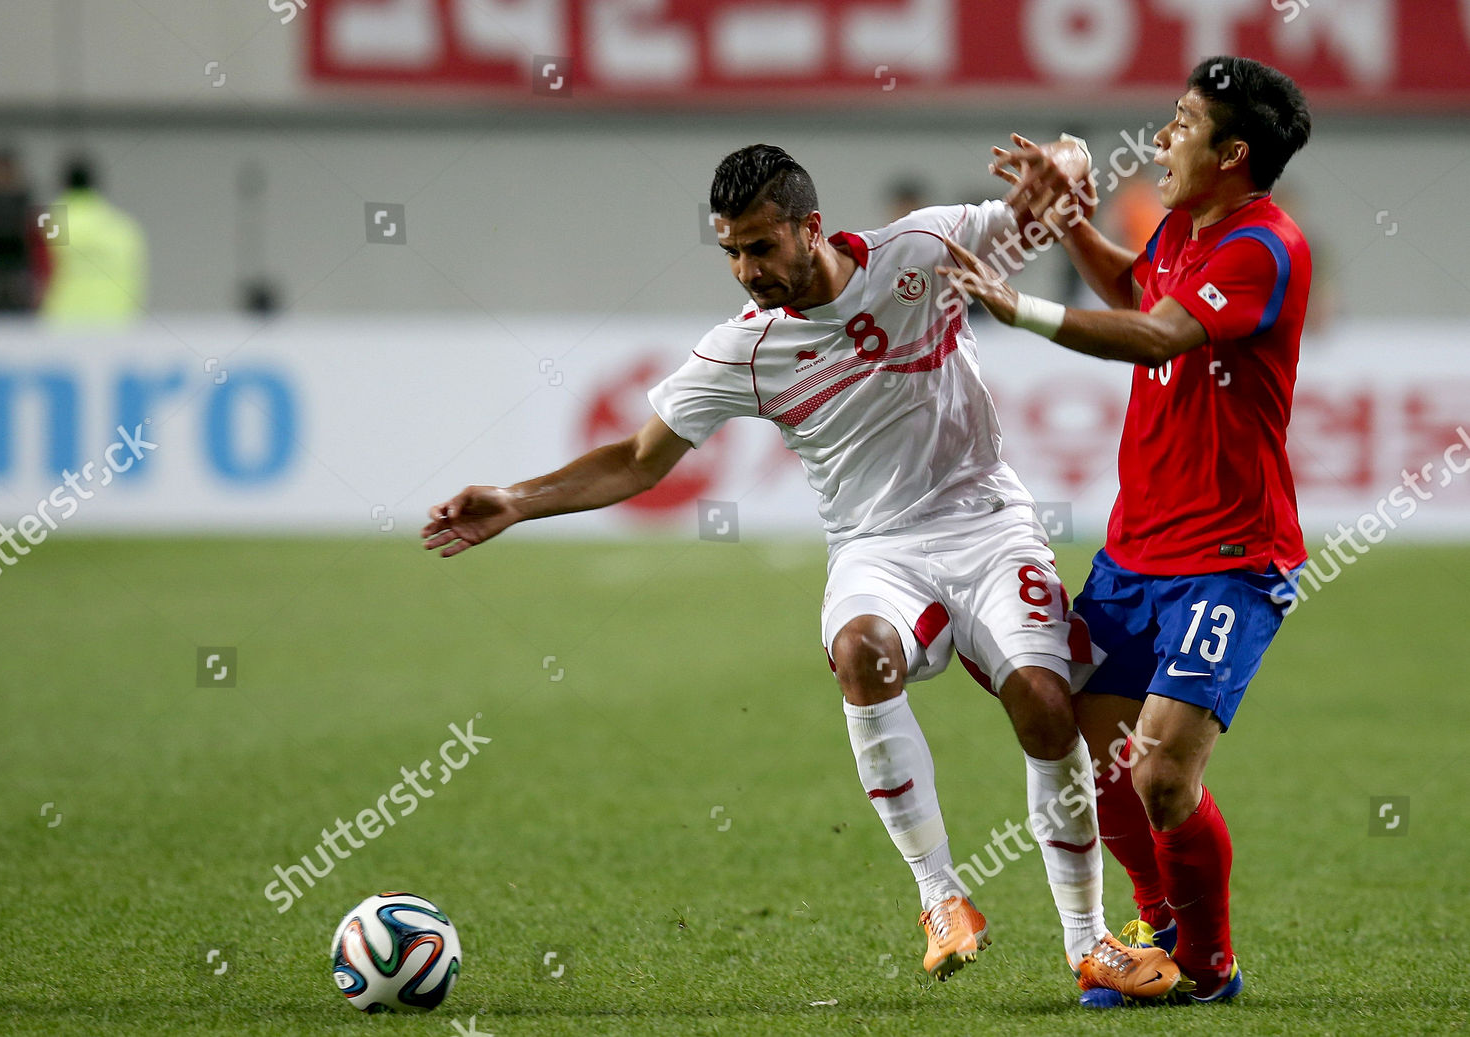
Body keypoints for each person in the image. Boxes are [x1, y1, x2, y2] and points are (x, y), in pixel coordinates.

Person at [423, 143, 1179, 1002]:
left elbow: (1058, 202)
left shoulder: (923, 249)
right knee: (861, 650)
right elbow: (638, 460)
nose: (747, 271)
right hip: (875, 546)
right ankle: (940, 896)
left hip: (989, 525)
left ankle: (1090, 939)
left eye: (760, 246)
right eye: (732, 254)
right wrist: (517, 500)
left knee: (1047, 707)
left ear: (809, 228)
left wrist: (1067, 157)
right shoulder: (741, 351)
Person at [937, 55, 1313, 1005]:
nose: (1160, 137)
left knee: (1161, 777)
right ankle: (1155, 926)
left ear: (1233, 153)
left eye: (1182, 123)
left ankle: (1212, 962)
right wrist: (1064, 219)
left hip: (1229, 560)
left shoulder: (1263, 248)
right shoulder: (1188, 227)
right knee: (1091, 753)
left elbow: (1160, 335)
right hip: (1136, 554)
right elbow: (1135, 294)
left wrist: (1017, 305)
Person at [40, 155, 148, 324]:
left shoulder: (50, 222)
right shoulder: (123, 227)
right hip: (115, 323)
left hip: (62, 323)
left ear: (62, 185)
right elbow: (136, 280)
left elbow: (41, 273)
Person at [0, 145, 45, 312]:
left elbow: (48, 250)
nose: (2, 179)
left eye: (7, 173)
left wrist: (39, 281)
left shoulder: (35, 209)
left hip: (22, 286)